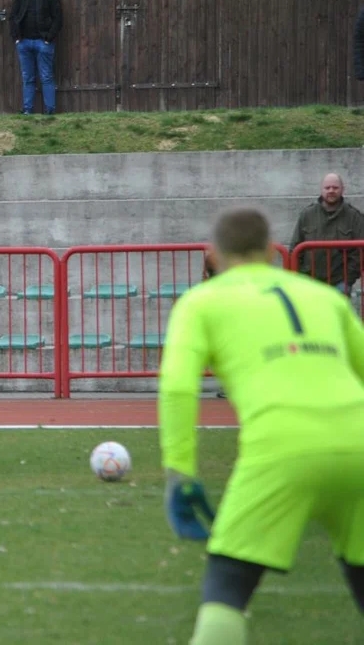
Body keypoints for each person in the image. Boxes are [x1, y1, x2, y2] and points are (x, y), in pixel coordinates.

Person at [157, 206, 364, 644]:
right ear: (272, 251)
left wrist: (180, 472)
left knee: (227, 583)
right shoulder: (324, 296)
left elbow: (176, 387)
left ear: (212, 255)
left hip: (281, 449)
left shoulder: (201, 302)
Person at [288, 173, 364, 295]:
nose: (331, 191)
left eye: (335, 187)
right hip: (309, 281)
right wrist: (300, 277)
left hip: (339, 284)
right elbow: (295, 249)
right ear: (321, 189)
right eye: (327, 187)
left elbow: (360, 253)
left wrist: (347, 281)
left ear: (342, 189)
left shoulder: (354, 217)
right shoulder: (307, 215)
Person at [8, 0, 63, 115]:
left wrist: (49, 38)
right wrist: (17, 38)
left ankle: (50, 111)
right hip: (24, 42)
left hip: (43, 42)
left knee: (46, 77)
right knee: (28, 78)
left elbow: (58, 18)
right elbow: (13, 16)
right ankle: (27, 111)